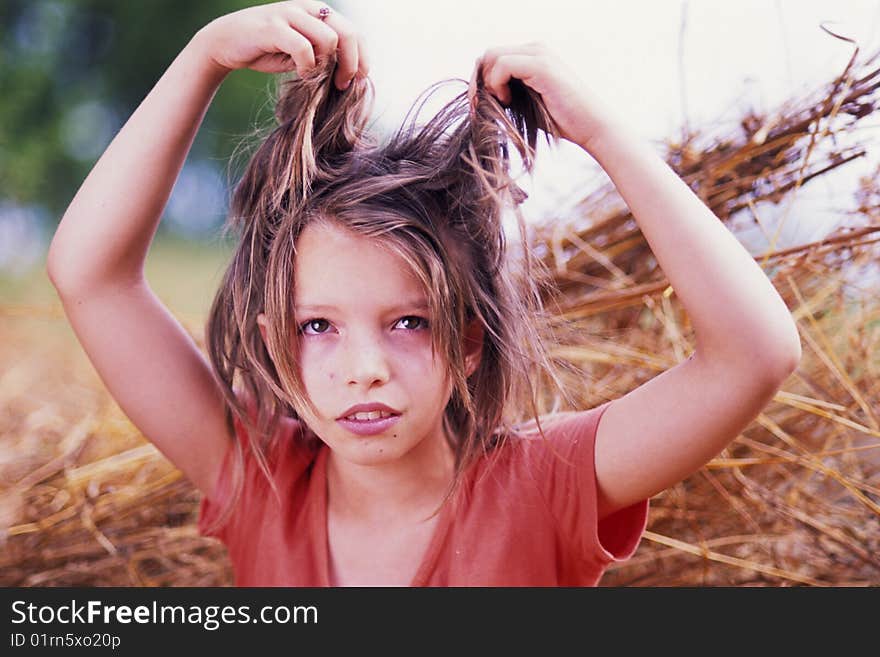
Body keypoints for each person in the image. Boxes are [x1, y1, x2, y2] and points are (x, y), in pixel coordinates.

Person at [46, 0, 802, 587]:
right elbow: (89, 274)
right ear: (275, 342)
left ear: (468, 340)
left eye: (407, 321)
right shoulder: (263, 482)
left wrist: (600, 132)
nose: (364, 367)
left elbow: (754, 354)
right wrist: (204, 54)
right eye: (318, 326)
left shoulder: (540, 486)